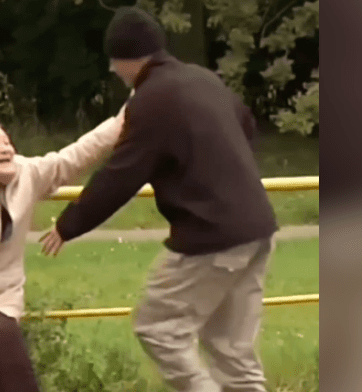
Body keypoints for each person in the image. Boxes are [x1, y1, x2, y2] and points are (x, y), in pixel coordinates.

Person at [39, 6, 277, 392]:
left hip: (210, 237)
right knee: (232, 350)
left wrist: (71, 223)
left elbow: (121, 175)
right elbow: (246, 128)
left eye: (114, 63)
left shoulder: (151, 100)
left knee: (157, 328)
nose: (115, 72)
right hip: (258, 228)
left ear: (127, 59)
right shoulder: (203, 80)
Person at [0, 101, 128, 392]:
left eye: (7, 141)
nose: (5, 148)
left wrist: (127, 115)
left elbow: (77, 155)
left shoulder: (27, 173)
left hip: (3, 299)